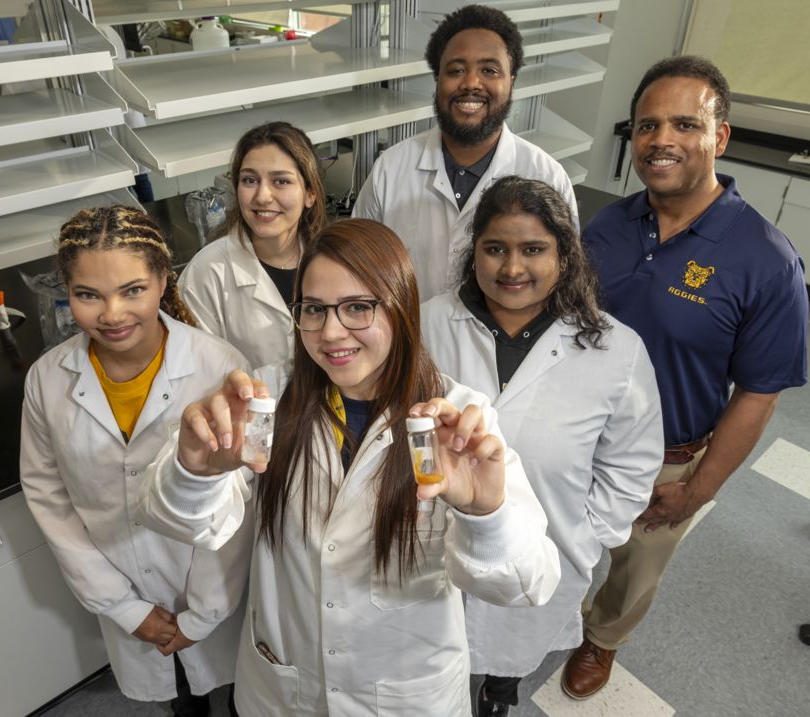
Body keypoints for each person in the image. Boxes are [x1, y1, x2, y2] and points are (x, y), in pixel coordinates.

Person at [139, 218, 562, 715]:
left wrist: (483, 514)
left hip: (405, 693)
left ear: (401, 305)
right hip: (286, 683)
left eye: (358, 307)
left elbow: (528, 584)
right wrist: (196, 472)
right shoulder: (267, 397)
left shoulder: (456, 419)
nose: (331, 332)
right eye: (314, 309)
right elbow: (180, 522)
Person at [563, 56, 809, 700]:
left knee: (632, 568)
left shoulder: (766, 260)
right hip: (577, 433)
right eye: (647, 126)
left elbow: (758, 393)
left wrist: (698, 488)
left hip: (664, 460)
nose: (660, 140)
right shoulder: (609, 226)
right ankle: (548, 617)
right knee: (558, 543)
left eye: (683, 124)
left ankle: (602, 640)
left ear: (719, 137)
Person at [421, 177, 663, 715]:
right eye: (495, 249)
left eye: (533, 249)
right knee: (432, 646)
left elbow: (631, 466)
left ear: (565, 255)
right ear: (473, 251)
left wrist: (585, 536)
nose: (512, 269)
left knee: (513, 641)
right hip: (436, 539)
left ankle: (501, 689)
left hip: (550, 545)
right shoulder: (430, 322)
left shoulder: (616, 349)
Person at [20, 206, 253, 716]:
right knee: (181, 703)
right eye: (87, 295)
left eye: (132, 290)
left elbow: (238, 504)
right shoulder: (47, 378)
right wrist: (123, 606)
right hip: (119, 583)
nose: (112, 314)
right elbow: (47, 494)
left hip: (209, 589)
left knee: (239, 692)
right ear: (66, 291)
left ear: (163, 279)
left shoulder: (218, 366)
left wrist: (206, 612)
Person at [352, 4, 577, 299]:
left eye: (489, 70)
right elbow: (356, 268)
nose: (471, 83)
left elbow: (563, 282)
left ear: (511, 81)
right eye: (456, 70)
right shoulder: (390, 169)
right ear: (437, 81)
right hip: (407, 340)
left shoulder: (547, 176)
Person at [179, 121, 327, 368]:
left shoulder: (331, 262)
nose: (262, 196)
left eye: (281, 181)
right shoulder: (207, 272)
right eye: (249, 180)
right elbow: (197, 372)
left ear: (310, 194)